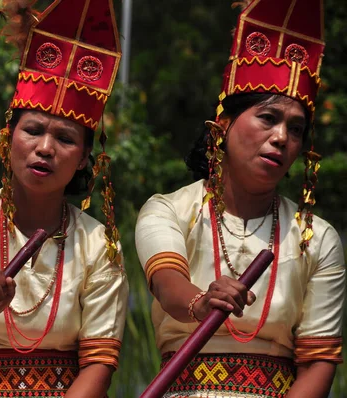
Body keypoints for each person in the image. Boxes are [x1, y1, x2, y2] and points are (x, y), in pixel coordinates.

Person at [135, 1, 344, 397]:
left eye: (296, 129)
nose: (282, 138)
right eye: (268, 118)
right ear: (224, 126)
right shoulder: (168, 210)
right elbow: (167, 283)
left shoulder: (318, 238)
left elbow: (318, 362)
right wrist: (201, 300)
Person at [0, 0, 129, 396]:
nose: (45, 148)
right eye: (33, 130)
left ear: (85, 156)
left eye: (66, 139)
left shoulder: (98, 244)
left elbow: (99, 363)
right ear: (8, 137)